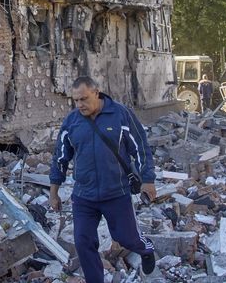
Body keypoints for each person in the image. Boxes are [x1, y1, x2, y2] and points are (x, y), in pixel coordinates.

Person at [50, 77, 157, 281]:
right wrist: (53, 192)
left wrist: (148, 179)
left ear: (96, 93)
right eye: (76, 100)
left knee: (127, 238)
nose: (80, 105)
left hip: (116, 193)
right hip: (84, 196)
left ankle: (146, 249)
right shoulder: (71, 122)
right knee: (83, 242)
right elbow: (60, 158)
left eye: (84, 99)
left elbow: (141, 147)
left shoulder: (120, 114)